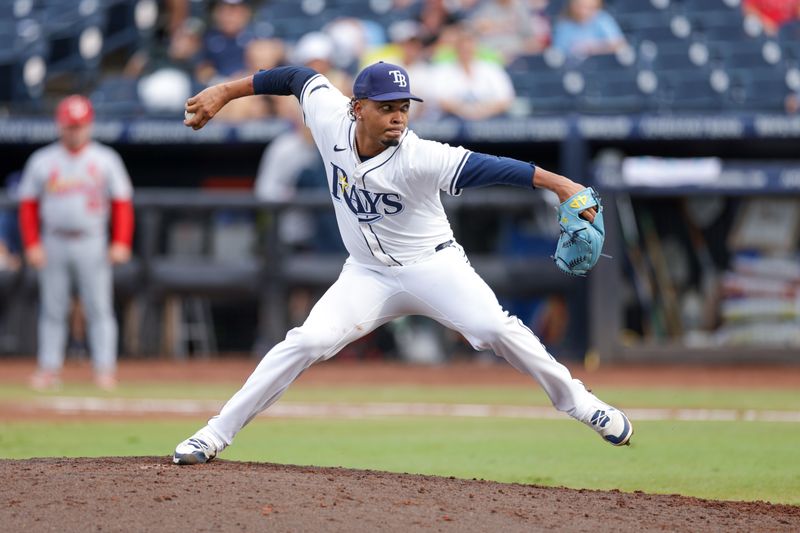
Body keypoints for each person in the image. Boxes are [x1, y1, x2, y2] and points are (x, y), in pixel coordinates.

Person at [174, 61, 633, 465]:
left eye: (404, 106)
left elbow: (495, 167)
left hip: (433, 267)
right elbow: (295, 76)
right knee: (306, 340)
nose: (398, 115)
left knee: (495, 328)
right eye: (387, 106)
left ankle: (580, 403)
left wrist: (560, 184)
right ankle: (214, 434)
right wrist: (225, 91)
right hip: (366, 273)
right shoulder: (329, 117)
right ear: (357, 107)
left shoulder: (420, 156)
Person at [18, 95, 134, 391]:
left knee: (98, 307)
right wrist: (32, 243)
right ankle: (49, 369)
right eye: (70, 126)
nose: (75, 131)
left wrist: (121, 241)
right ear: (60, 125)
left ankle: (104, 369)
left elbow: (122, 203)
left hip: (92, 240)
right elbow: (28, 205)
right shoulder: (43, 160)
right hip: (54, 239)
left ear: (89, 125)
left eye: (80, 126)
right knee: (53, 308)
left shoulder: (105, 158)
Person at [432, 25, 517, 121]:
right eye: (462, 44)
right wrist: (466, 111)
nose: (466, 48)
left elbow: (506, 98)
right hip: (454, 120)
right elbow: (440, 100)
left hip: (490, 119)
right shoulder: (443, 70)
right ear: (456, 47)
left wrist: (483, 111)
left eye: (469, 43)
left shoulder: (491, 68)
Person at [552, 0, 625, 61]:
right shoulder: (564, 26)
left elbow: (619, 44)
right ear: (573, 6)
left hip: (601, 68)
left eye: (589, 8)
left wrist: (594, 48)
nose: (584, 12)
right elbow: (558, 54)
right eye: (580, 7)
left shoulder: (602, 19)